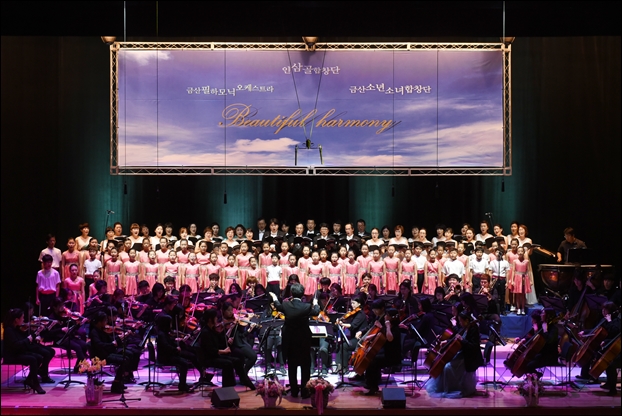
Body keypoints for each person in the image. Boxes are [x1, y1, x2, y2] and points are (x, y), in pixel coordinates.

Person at [269, 283, 320, 398]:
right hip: (303, 341)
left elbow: (278, 306)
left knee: (292, 366)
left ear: (291, 293)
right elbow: (316, 312)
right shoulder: (307, 306)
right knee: (305, 366)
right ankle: (305, 391)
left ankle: (294, 391)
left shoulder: (286, 305)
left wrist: (275, 297)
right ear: (303, 294)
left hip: (290, 341)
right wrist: (316, 303)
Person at [426, 310, 483, 398]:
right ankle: (448, 387)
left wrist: (462, 340)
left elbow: (473, 346)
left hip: (469, 357)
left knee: (447, 367)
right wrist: (447, 341)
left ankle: (451, 389)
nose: (459, 323)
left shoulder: (473, 329)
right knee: (445, 365)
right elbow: (456, 338)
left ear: (466, 320)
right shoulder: (464, 328)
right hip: (462, 353)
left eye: (461, 321)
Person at [199, 309, 255, 389]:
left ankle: (244, 379)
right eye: (215, 317)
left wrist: (226, 336)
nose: (217, 319)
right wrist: (224, 351)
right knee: (228, 363)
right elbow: (210, 350)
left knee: (237, 360)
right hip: (209, 358)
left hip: (216, 356)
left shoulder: (212, 330)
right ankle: (227, 388)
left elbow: (221, 342)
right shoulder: (206, 332)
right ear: (210, 319)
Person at [2, 308, 55, 394]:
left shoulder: (16, 328)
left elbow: (23, 340)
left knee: (39, 357)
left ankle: (30, 379)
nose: (24, 320)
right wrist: (29, 338)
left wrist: (34, 332)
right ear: (16, 320)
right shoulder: (9, 330)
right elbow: (17, 345)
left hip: (19, 352)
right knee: (33, 359)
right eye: (22, 318)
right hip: (12, 355)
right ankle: (35, 383)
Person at [361, 299, 401, 395]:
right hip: (387, 353)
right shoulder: (389, 326)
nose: (386, 317)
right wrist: (368, 337)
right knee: (371, 358)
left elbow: (389, 338)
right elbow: (381, 335)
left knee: (373, 362)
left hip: (393, 356)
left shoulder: (395, 328)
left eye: (387, 316)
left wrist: (387, 326)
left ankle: (373, 387)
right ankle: (369, 383)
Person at [334, 296, 367, 374]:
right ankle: (339, 365)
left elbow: (353, 326)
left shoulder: (361, 314)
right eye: (351, 303)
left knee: (344, 346)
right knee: (339, 344)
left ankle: (345, 368)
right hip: (354, 337)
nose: (352, 305)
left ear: (359, 304)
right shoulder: (355, 313)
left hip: (360, 339)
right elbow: (349, 321)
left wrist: (342, 324)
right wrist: (342, 321)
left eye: (353, 303)